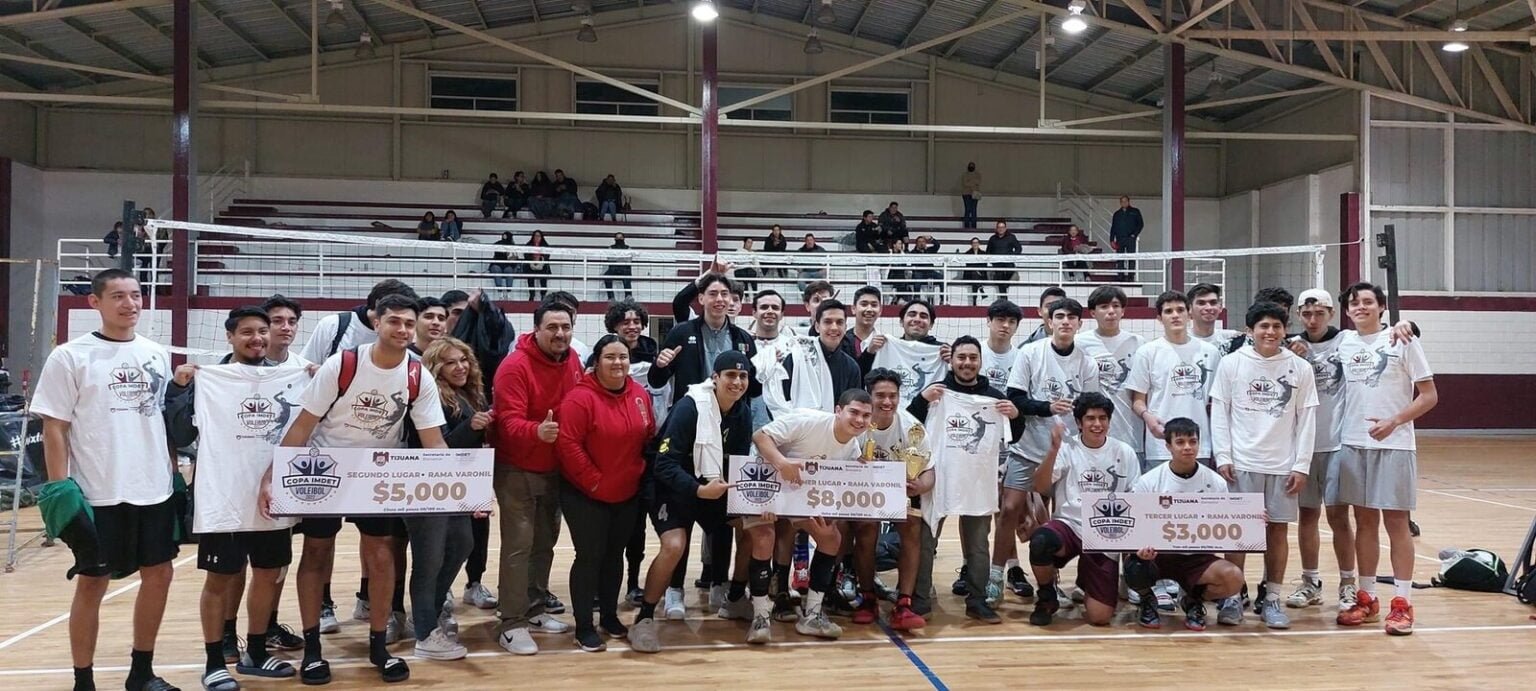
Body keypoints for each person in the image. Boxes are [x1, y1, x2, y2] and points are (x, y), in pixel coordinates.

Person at [259, 293, 451, 685]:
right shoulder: (343, 363)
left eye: (408, 324)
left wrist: (461, 486)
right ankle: (313, 651)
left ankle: (378, 645)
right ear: (376, 323)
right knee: (316, 552)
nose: (402, 330)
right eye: (394, 321)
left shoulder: (417, 374)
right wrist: (271, 475)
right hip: (324, 467)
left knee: (381, 557)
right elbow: (302, 425)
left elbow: (435, 442)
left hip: (377, 472)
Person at [33, 269, 179, 691]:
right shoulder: (70, 356)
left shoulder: (155, 353)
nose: (130, 304)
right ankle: (84, 680)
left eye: (135, 295)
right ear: (95, 303)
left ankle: (141, 672)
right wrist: (61, 490)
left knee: (160, 574)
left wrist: (172, 468)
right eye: (118, 296)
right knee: (93, 580)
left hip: (153, 487)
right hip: (97, 490)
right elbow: (55, 427)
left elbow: (161, 418)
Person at [166, 308, 308, 690]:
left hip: (273, 496)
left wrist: (316, 379)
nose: (257, 338)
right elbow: (180, 433)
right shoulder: (209, 379)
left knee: (268, 574)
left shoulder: (294, 376)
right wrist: (179, 389)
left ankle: (257, 652)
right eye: (247, 332)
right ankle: (214, 661)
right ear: (230, 337)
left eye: (263, 331)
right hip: (223, 497)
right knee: (219, 579)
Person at [629, 352, 755, 652]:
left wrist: (749, 499)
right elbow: (663, 464)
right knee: (674, 545)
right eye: (730, 376)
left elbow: (737, 462)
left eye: (743, 377)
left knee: (755, 527)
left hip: (711, 485)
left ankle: (735, 597)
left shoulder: (742, 412)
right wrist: (699, 491)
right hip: (670, 487)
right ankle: (644, 618)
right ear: (715, 378)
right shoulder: (690, 407)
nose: (737, 382)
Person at [1333, 282, 1437, 635]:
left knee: (1396, 524)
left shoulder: (1402, 339)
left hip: (1394, 445)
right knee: (1364, 523)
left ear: (1380, 307)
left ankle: (1402, 602)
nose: (1360, 307)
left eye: (1367, 302)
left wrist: (1394, 422)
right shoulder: (1343, 342)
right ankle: (1368, 597)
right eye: (1353, 303)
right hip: (1353, 443)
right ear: (1347, 311)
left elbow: (1429, 396)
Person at [1211, 301, 1319, 629]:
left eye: (1276, 326)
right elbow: (1220, 412)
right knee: (1238, 535)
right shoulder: (1231, 364)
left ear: (1285, 330)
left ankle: (1271, 597)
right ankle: (1232, 596)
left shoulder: (1300, 368)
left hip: (1282, 465)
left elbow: (1308, 419)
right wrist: (1224, 456)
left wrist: (1301, 465)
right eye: (1263, 326)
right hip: (1242, 462)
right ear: (1250, 331)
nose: (1270, 332)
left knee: (1277, 532)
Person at [491, 301, 584, 655]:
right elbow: (507, 420)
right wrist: (537, 431)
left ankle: (534, 608)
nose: (560, 334)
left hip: (555, 467)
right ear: (537, 329)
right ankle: (511, 622)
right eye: (553, 328)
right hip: (517, 468)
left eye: (566, 327)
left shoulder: (573, 359)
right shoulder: (514, 366)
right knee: (519, 545)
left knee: (545, 541)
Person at [908, 337, 1024, 621]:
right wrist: (922, 400)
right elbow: (910, 425)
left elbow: (1015, 436)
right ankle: (920, 598)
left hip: (977, 478)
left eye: (973, 358)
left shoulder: (995, 398)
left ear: (980, 361)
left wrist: (1016, 415)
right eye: (961, 357)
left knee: (978, 544)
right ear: (952, 360)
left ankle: (977, 600)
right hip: (938, 475)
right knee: (925, 541)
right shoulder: (937, 393)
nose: (967, 363)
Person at [750, 391, 879, 641]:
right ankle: (760, 616)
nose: (860, 420)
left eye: (866, 415)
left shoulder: (853, 448)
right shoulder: (807, 420)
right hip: (765, 482)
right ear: (838, 410)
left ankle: (812, 614)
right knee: (765, 535)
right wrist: (781, 463)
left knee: (831, 537)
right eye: (854, 412)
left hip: (800, 495)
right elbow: (760, 436)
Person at [997, 297, 1100, 605]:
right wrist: (1047, 407)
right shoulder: (1031, 353)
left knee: (1052, 522)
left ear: (1080, 324)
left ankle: (1051, 583)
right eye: (1060, 316)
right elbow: (1015, 398)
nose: (1065, 321)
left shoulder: (1087, 361)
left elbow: (1090, 406)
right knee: (1008, 509)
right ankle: (995, 574)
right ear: (1049, 321)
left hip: (1068, 453)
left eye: (1072, 317)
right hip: (1029, 448)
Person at [557, 336, 654, 652]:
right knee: (589, 558)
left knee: (615, 557)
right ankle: (583, 626)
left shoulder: (639, 394)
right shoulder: (578, 399)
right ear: (596, 362)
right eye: (610, 357)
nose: (618, 363)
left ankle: (610, 616)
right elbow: (568, 445)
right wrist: (595, 481)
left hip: (626, 493)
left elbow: (647, 434)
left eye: (623, 357)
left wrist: (638, 475)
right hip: (586, 493)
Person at [406, 338, 490, 662]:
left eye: (464, 360)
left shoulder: (469, 394)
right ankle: (425, 633)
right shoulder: (430, 396)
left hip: (456, 487)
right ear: (436, 368)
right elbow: (436, 447)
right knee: (429, 559)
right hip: (424, 485)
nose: (461, 367)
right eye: (452, 362)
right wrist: (472, 426)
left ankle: (427, 611)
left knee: (463, 544)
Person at [1027, 392, 1139, 626]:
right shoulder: (1067, 448)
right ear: (1079, 423)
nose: (1097, 424)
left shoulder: (1125, 452)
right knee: (1040, 541)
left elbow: (1135, 500)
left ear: (1109, 421)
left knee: (1100, 618)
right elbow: (1039, 485)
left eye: (1102, 418)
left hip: (1106, 532)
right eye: (1090, 418)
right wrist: (1053, 450)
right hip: (1070, 525)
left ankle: (1088, 579)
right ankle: (1047, 595)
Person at [1124, 418, 1244, 631]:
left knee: (1233, 578)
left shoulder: (1216, 482)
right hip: (1158, 555)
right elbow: (1133, 525)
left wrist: (1251, 520)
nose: (1188, 447)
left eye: (1192, 441)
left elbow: (1228, 522)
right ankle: (1147, 600)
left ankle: (1192, 599)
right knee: (1134, 566)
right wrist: (1139, 549)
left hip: (1196, 558)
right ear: (1168, 446)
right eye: (1180, 442)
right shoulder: (1149, 481)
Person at [1286, 288, 1356, 613]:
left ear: (1331, 313)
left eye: (1319, 313)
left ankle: (1348, 583)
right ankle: (1310, 581)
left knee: (1339, 516)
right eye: (1307, 313)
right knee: (1307, 515)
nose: (1313, 319)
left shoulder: (1346, 342)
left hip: (1338, 442)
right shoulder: (1289, 348)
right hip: (1303, 446)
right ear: (1299, 314)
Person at [851, 369, 936, 631]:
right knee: (866, 528)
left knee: (912, 526)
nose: (887, 402)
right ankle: (867, 597)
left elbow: (930, 470)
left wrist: (920, 484)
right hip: (865, 491)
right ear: (870, 396)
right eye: (880, 396)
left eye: (893, 396)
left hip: (900, 493)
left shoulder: (913, 427)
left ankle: (904, 603)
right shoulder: (858, 425)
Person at [1127, 290, 1220, 469]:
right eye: (1169, 311)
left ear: (1189, 314)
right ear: (1160, 319)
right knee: (1161, 497)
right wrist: (1149, 420)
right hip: (1160, 445)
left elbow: (1216, 402)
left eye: (1180, 310)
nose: (1175, 315)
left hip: (1198, 445)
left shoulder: (1210, 352)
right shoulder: (1147, 352)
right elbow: (1138, 401)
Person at [648, 273, 758, 407]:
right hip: (691, 413)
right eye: (712, 294)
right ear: (701, 298)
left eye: (724, 294)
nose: (719, 299)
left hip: (731, 417)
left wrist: (764, 372)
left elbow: (754, 390)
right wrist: (659, 366)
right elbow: (656, 382)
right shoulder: (681, 333)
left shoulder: (743, 338)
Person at [1076, 286, 1145, 462]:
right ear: (1093, 312)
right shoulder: (1079, 343)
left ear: (1123, 311)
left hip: (1131, 433)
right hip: (1093, 433)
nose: (1111, 311)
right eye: (1104, 306)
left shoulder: (1138, 343)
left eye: (1116, 306)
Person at [763, 300, 862, 418]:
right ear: (817, 326)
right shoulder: (796, 358)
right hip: (795, 431)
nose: (834, 327)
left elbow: (853, 409)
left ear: (845, 327)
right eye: (828, 322)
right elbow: (777, 400)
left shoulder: (851, 367)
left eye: (839, 322)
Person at [299, 279, 418, 364]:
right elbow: (307, 365)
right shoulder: (334, 324)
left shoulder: (404, 334)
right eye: (394, 319)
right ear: (378, 303)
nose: (402, 328)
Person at [1188, 283, 1243, 355]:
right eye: (1201, 303)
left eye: (1213, 302)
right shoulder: (1180, 340)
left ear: (1220, 307)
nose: (1208, 308)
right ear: (1190, 308)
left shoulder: (1233, 339)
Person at [985, 220, 1022, 299]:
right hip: (997, 264)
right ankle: (1004, 300)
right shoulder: (992, 238)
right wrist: (992, 260)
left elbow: (1019, 248)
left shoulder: (1011, 237)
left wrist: (1012, 256)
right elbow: (988, 251)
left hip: (1009, 264)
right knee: (1000, 279)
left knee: (1003, 281)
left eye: (1002, 227)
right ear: (996, 228)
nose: (1001, 229)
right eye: (999, 227)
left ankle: (1003, 298)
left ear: (1005, 228)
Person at [1109, 195, 1143, 281]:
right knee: (1120, 258)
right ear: (1120, 203)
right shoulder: (1117, 214)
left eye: (1125, 201)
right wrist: (1112, 239)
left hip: (1130, 238)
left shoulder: (1135, 211)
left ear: (1128, 201)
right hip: (1120, 239)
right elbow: (1113, 227)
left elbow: (1140, 224)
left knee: (1131, 257)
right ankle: (1120, 275)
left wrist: (1134, 235)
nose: (1124, 203)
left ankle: (1131, 276)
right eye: (1122, 201)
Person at [602, 232, 633, 301]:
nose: (619, 239)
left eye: (620, 237)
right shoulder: (610, 248)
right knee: (606, 276)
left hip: (624, 268)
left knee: (627, 275)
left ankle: (628, 297)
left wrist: (617, 258)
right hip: (614, 268)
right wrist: (622, 258)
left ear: (624, 238)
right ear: (615, 239)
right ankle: (611, 297)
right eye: (617, 238)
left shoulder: (628, 248)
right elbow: (610, 259)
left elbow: (628, 260)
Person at [523, 230, 552, 302]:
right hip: (531, 264)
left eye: (539, 236)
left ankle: (543, 294)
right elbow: (526, 255)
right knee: (529, 275)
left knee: (544, 273)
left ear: (541, 237)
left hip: (542, 264)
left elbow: (547, 255)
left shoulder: (545, 245)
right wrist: (532, 260)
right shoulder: (529, 244)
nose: (537, 237)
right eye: (535, 236)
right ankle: (532, 294)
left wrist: (541, 259)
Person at [961, 237, 988, 305]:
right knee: (974, 274)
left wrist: (979, 271)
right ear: (971, 244)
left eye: (976, 243)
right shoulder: (967, 253)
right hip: (970, 274)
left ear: (979, 244)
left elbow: (985, 265)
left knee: (975, 279)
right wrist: (976, 270)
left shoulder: (983, 253)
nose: (975, 244)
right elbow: (969, 265)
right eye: (973, 243)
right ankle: (981, 291)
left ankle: (974, 301)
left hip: (981, 274)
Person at [960, 162, 981, 229]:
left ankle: (974, 226)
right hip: (966, 194)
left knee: (974, 210)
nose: (971, 167)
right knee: (967, 209)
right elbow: (965, 183)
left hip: (975, 194)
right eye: (970, 166)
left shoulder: (977, 174)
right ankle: (966, 226)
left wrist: (970, 182)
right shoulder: (964, 174)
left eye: (972, 166)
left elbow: (978, 182)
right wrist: (973, 183)